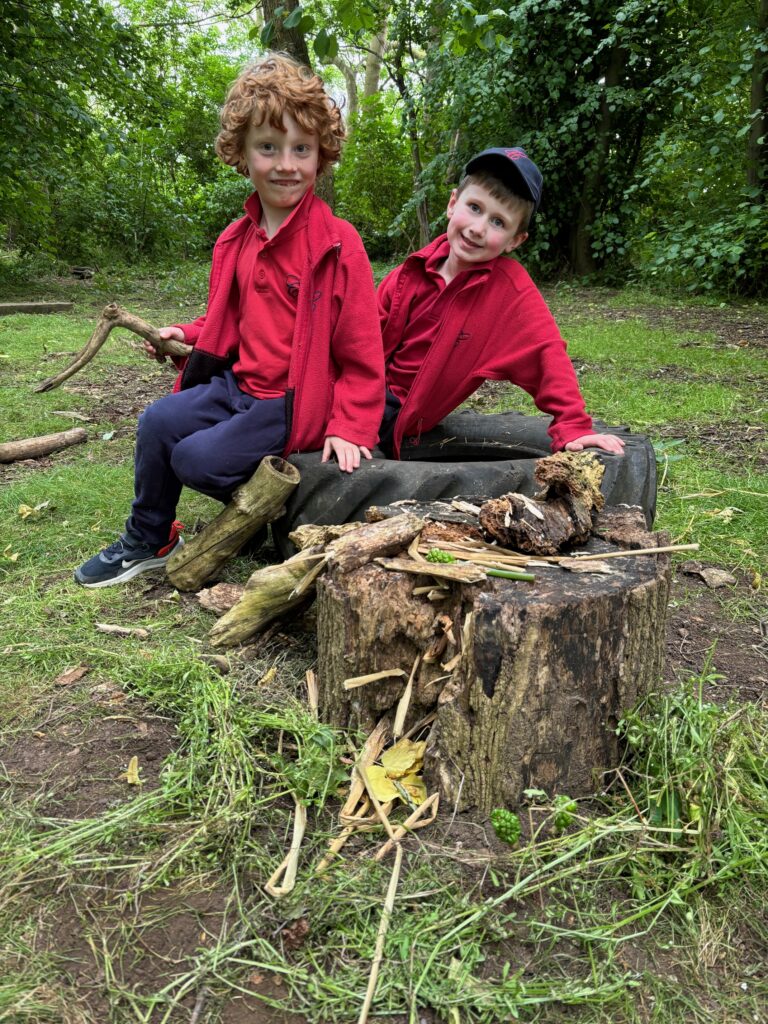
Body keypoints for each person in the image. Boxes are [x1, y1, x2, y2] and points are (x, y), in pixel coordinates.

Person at [75, 54, 384, 588]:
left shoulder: (337, 244)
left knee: (196, 459)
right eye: (269, 147)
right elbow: (227, 318)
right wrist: (186, 336)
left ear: (321, 155)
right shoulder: (235, 241)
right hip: (238, 387)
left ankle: (286, 500)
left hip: (293, 401)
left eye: (302, 150)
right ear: (241, 153)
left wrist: (352, 424)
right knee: (157, 423)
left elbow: (361, 349)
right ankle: (149, 537)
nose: (286, 164)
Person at [377, 147, 625, 460]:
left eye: (498, 222)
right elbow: (361, 336)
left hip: (397, 415)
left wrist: (573, 425)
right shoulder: (412, 271)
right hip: (361, 394)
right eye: (475, 207)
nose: (478, 228)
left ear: (514, 240)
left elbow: (546, 352)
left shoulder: (508, 290)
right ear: (453, 204)